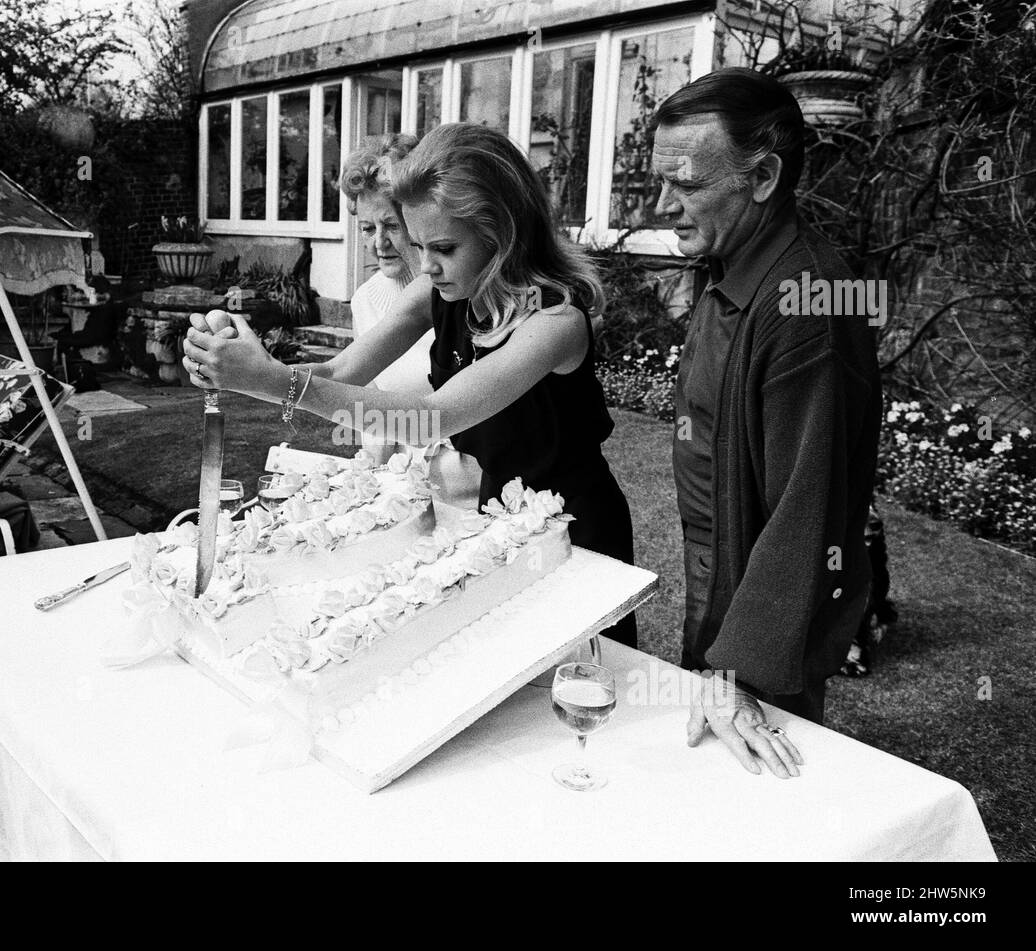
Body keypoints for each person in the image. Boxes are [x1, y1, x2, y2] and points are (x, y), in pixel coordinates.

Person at [183, 122, 638, 648]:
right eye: (418, 244)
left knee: (580, 689)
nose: (425, 265)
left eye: (443, 246)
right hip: (499, 524)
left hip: (577, 535)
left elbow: (430, 419)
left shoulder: (554, 323)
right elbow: (339, 373)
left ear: (502, 233)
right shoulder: (438, 290)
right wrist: (245, 369)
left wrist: (271, 381)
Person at [649, 68, 882, 777]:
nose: (664, 205)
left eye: (686, 184)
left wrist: (740, 672)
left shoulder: (806, 302)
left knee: (759, 790)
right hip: (718, 580)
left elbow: (808, 508)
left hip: (764, 623)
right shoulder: (735, 265)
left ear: (763, 176)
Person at [340, 133, 435, 460]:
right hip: (402, 481)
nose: (378, 243)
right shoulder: (364, 301)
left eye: (391, 226)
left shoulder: (452, 292)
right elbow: (370, 411)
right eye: (367, 229)